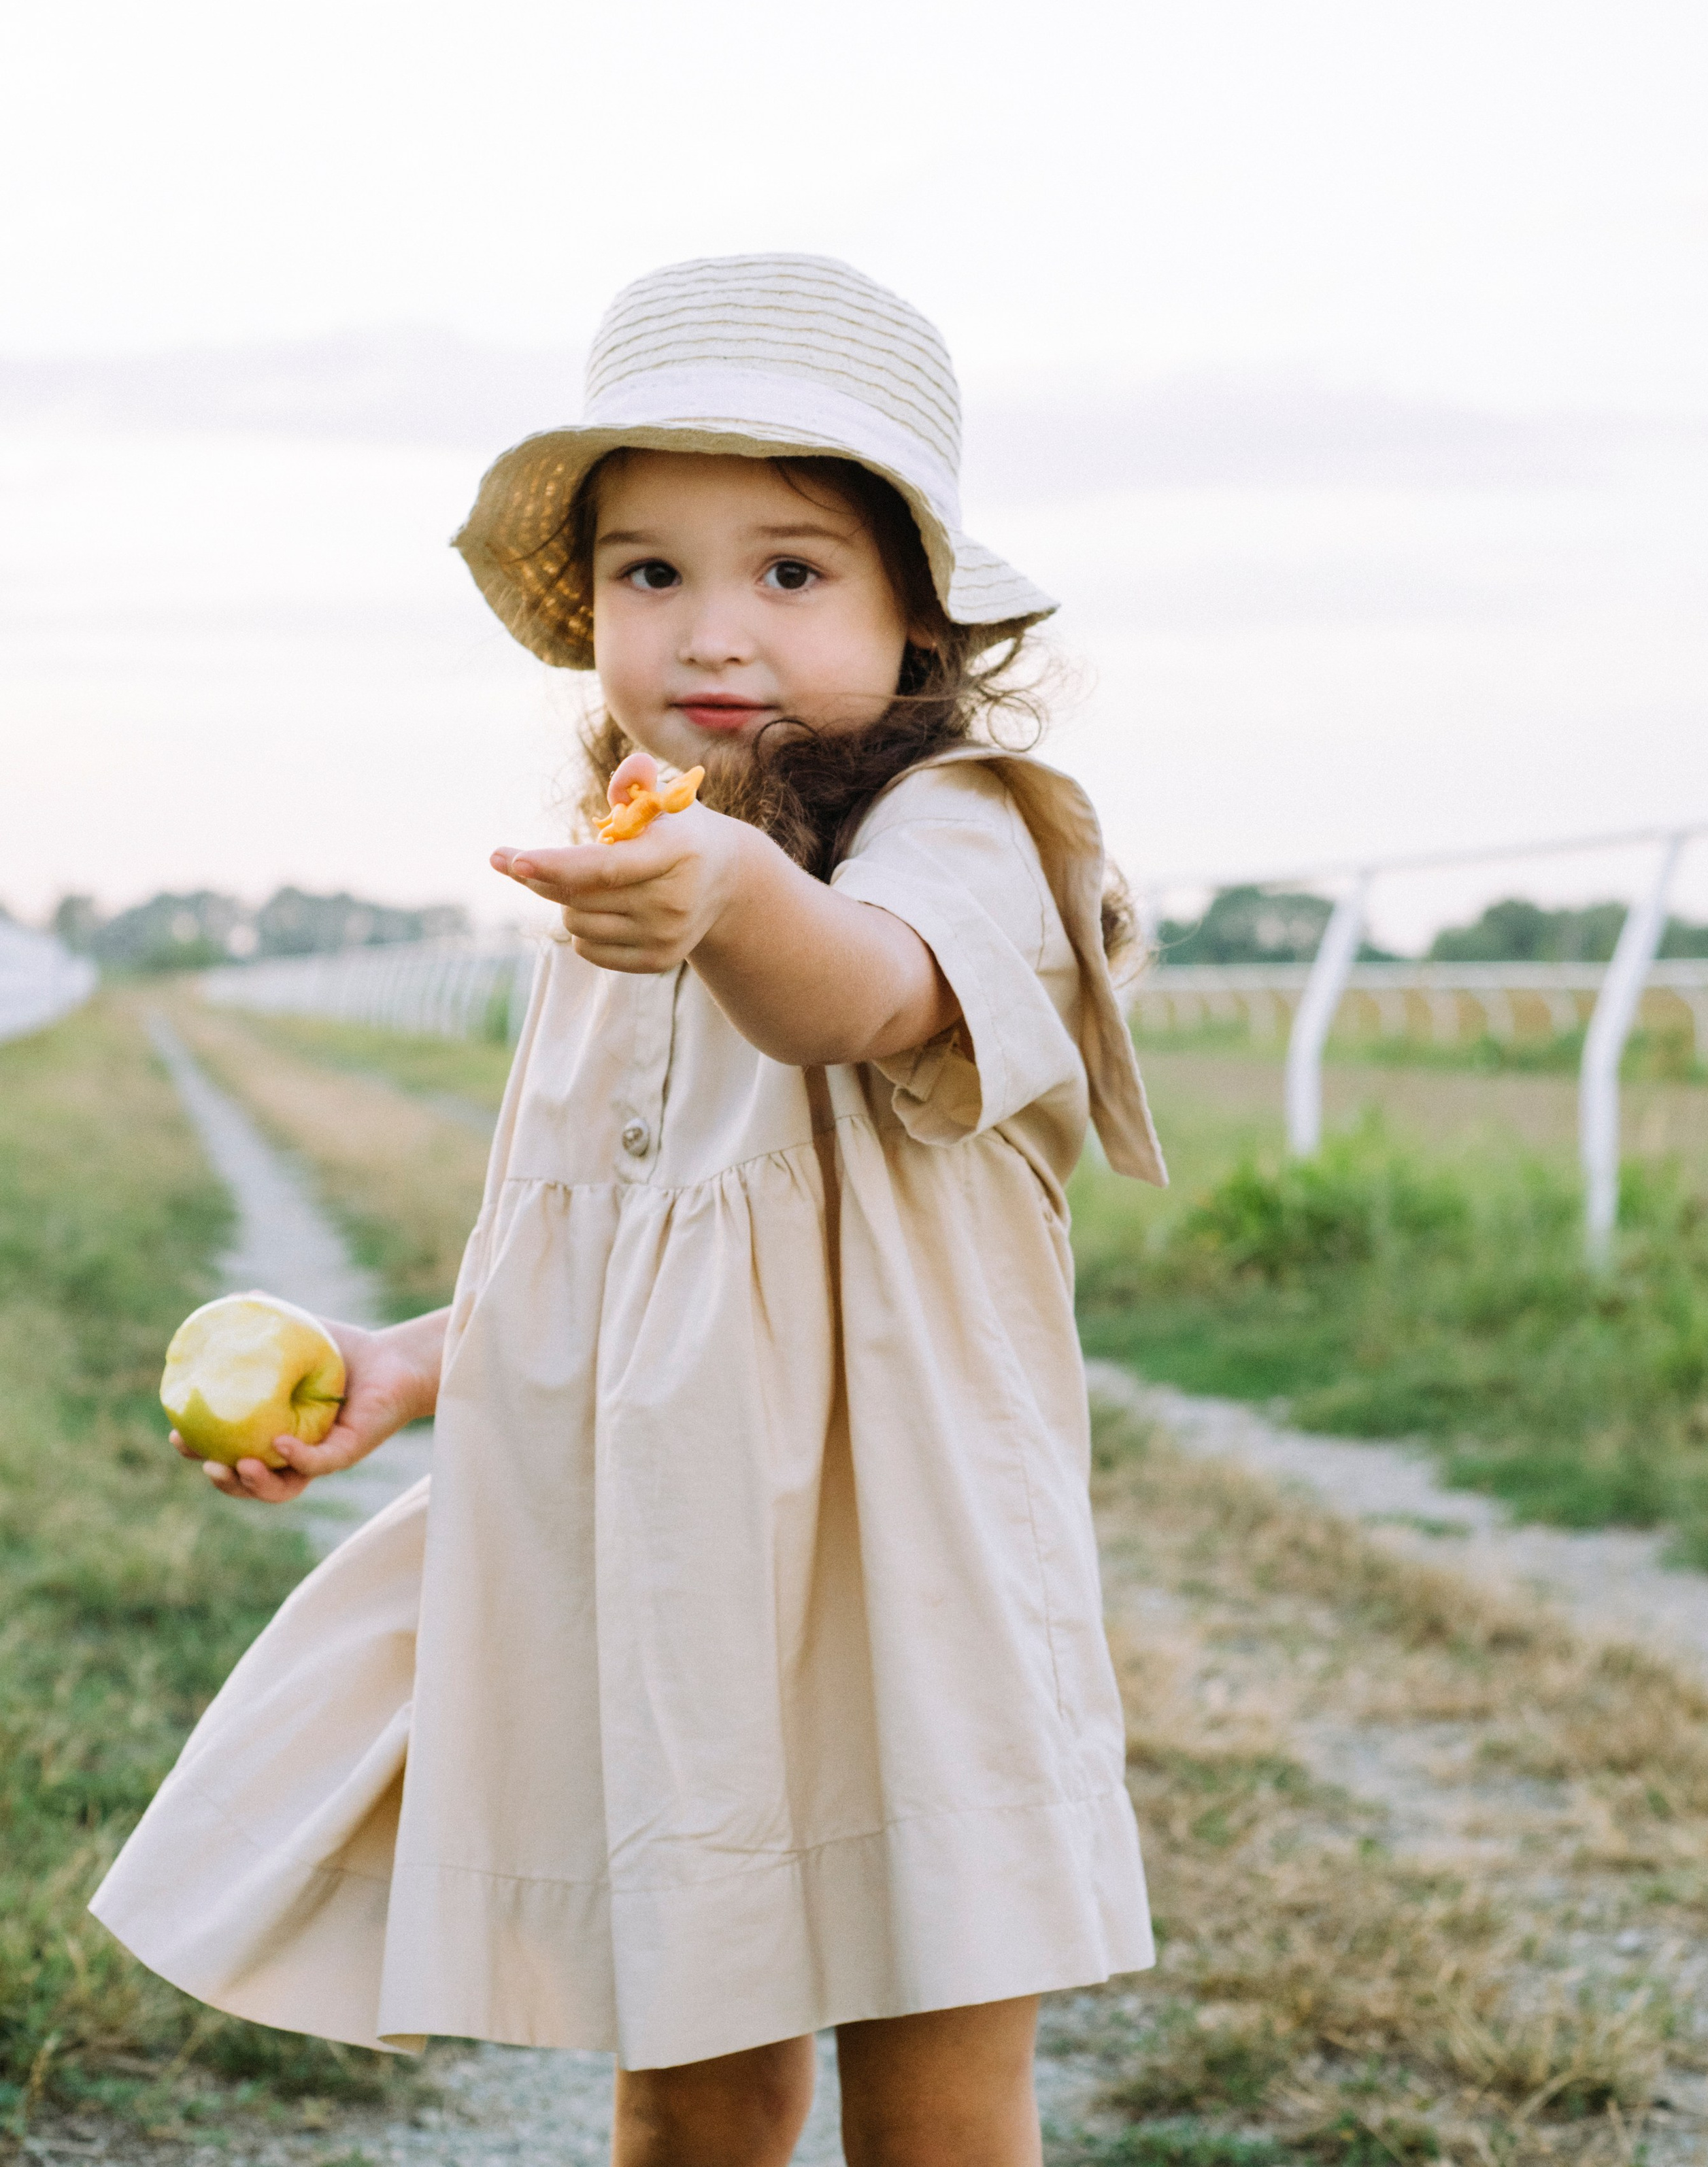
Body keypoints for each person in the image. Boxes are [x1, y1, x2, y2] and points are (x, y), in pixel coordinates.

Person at [92, 254, 1167, 2166]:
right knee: (688, 2078)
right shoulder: (629, 871)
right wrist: (411, 1360)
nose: (711, 625)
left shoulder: (970, 822)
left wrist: (734, 898)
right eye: (649, 572)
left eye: (790, 567)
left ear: (916, 614)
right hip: (666, 1573)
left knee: (934, 2085)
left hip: (904, 1559)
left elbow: (866, 992)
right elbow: (602, 1226)